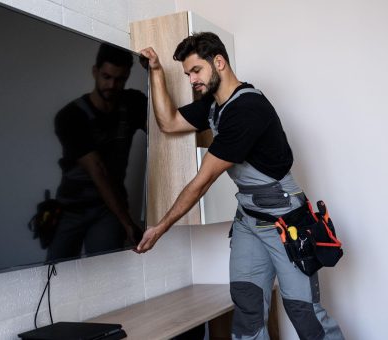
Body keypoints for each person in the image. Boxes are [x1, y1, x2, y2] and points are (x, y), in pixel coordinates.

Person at [136, 32, 344, 339]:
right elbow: (168, 122)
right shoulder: (213, 106)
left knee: (304, 313)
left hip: (284, 217)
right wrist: (155, 70)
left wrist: (161, 227)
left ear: (218, 62)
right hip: (248, 216)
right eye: (188, 73)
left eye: (196, 71)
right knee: (247, 309)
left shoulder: (246, 110)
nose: (192, 79)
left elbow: (201, 182)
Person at [46, 43, 146, 261]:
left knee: (108, 268)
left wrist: (153, 71)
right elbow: (98, 170)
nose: (111, 84)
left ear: (128, 75)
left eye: (119, 79)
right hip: (70, 208)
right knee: (54, 270)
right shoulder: (70, 116)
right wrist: (127, 222)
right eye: (106, 76)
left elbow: (164, 129)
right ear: (95, 71)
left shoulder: (133, 104)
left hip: (108, 210)